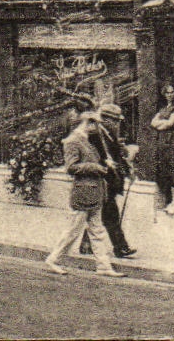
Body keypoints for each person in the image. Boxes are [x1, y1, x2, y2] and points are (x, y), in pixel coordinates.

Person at [45, 112, 125, 277]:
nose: (98, 128)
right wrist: (95, 168)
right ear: (88, 123)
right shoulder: (72, 141)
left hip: (95, 192)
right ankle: (53, 259)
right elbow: (71, 167)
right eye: (96, 124)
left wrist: (104, 163)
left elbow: (90, 161)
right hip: (83, 192)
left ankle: (103, 266)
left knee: (97, 230)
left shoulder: (88, 140)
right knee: (73, 229)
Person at [79, 103, 134, 259]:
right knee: (109, 215)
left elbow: (117, 156)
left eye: (118, 121)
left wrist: (127, 168)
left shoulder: (110, 135)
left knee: (100, 215)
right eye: (115, 121)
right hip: (101, 180)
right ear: (105, 120)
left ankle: (88, 244)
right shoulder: (95, 135)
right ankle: (120, 247)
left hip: (109, 181)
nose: (118, 124)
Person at [148, 81, 174, 214]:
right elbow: (153, 123)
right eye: (167, 92)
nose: (169, 95)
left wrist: (163, 123)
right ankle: (170, 201)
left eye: (172, 92)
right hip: (164, 143)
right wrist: (162, 123)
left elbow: (169, 123)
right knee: (165, 169)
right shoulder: (164, 107)